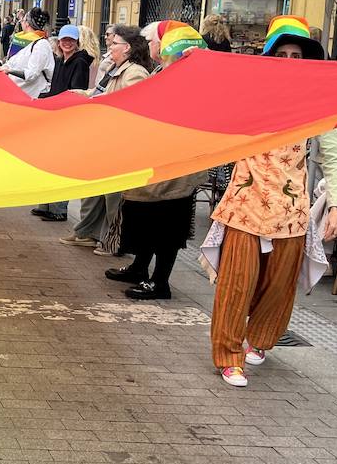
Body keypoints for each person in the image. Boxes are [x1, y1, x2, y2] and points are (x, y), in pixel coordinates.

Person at [204, 16, 337, 387]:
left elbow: (336, 156)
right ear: (269, 57)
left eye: (297, 54)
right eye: (281, 53)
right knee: (237, 283)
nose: (289, 60)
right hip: (246, 204)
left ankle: (262, 338)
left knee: (279, 286)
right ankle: (229, 356)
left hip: (290, 212)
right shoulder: (249, 96)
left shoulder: (317, 104)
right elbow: (210, 112)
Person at [106, 25, 209, 300]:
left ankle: (159, 281)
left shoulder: (186, 76)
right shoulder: (162, 71)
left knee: (166, 228)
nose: (148, 44)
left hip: (176, 171)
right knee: (147, 221)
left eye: (152, 40)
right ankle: (140, 268)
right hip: (160, 165)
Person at [60, 25, 153, 254]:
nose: (109, 47)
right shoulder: (115, 67)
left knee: (114, 196)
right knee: (93, 188)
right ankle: (87, 232)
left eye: (114, 44)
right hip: (104, 138)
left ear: (128, 48)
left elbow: (131, 107)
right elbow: (100, 92)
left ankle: (114, 240)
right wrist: (82, 95)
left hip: (119, 142)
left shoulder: (135, 73)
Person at [29, 25, 95, 223]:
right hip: (55, 116)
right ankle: (46, 204)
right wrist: (41, 99)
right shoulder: (60, 61)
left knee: (60, 163)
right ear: (59, 42)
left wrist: (53, 102)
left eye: (71, 40)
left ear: (77, 42)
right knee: (48, 160)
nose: (67, 43)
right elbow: (56, 89)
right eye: (64, 40)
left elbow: (75, 92)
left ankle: (59, 209)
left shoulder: (80, 62)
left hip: (67, 118)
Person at [0, 7, 53, 98]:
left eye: (23, 19)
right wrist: (3, 65)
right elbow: (12, 61)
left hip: (32, 96)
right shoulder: (21, 41)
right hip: (16, 94)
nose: (21, 22)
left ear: (28, 24)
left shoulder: (41, 44)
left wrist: (9, 71)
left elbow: (31, 74)